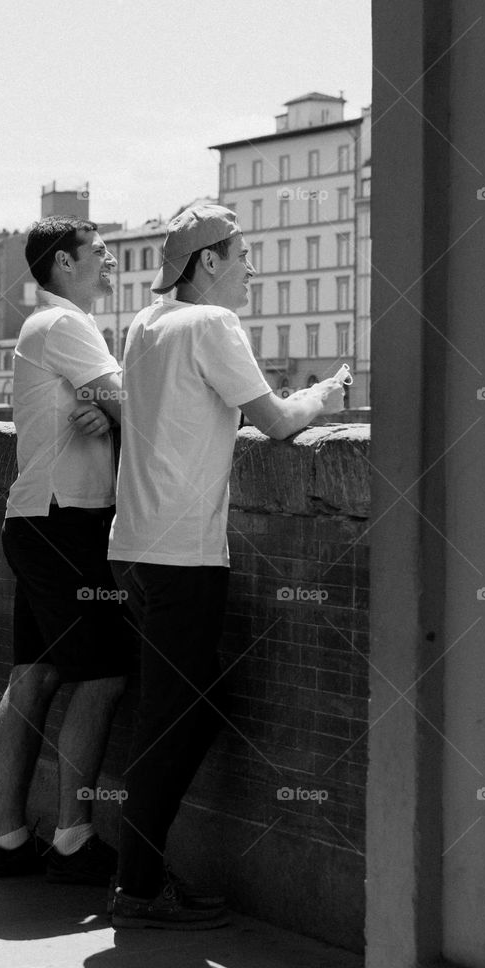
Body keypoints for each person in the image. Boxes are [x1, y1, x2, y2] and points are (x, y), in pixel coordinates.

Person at [88, 203, 347, 928]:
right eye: (242, 254)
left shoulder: (146, 324)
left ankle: (136, 874)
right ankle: (136, 887)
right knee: (174, 721)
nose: (252, 268)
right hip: (181, 560)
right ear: (208, 261)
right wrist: (324, 395)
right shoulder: (211, 325)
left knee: (185, 710)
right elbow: (272, 420)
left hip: (132, 549)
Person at [0, 216, 135, 886]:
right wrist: (117, 408)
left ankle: (8, 839)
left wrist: (106, 411)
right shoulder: (65, 324)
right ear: (64, 264)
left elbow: (112, 403)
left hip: (35, 520)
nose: (110, 263)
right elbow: (137, 405)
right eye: (99, 253)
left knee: (35, 676)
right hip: (65, 523)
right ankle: (73, 838)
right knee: (102, 673)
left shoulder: (45, 327)